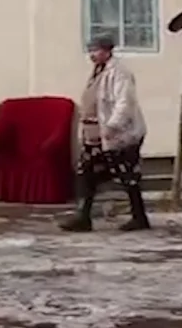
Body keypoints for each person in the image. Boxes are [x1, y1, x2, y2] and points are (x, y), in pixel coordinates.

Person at [59, 34, 151, 233]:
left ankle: (139, 217)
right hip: (95, 134)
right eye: (90, 50)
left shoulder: (119, 72)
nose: (92, 54)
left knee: (127, 175)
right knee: (86, 173)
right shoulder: (98, 71)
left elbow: (124, 102)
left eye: (96, 50)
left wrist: (113, 125)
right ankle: (83, 216)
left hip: (117, 134)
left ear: (107, 50)